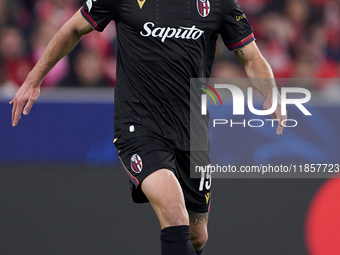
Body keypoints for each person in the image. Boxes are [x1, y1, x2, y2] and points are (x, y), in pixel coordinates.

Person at [10, 0, 287, 254]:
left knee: (197, 234)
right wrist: (34, 79)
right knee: (174, 212)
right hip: (139, 127)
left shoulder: (217, 3)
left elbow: (249, 55)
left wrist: (271, 91)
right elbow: (73, 29)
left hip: (192, 131)